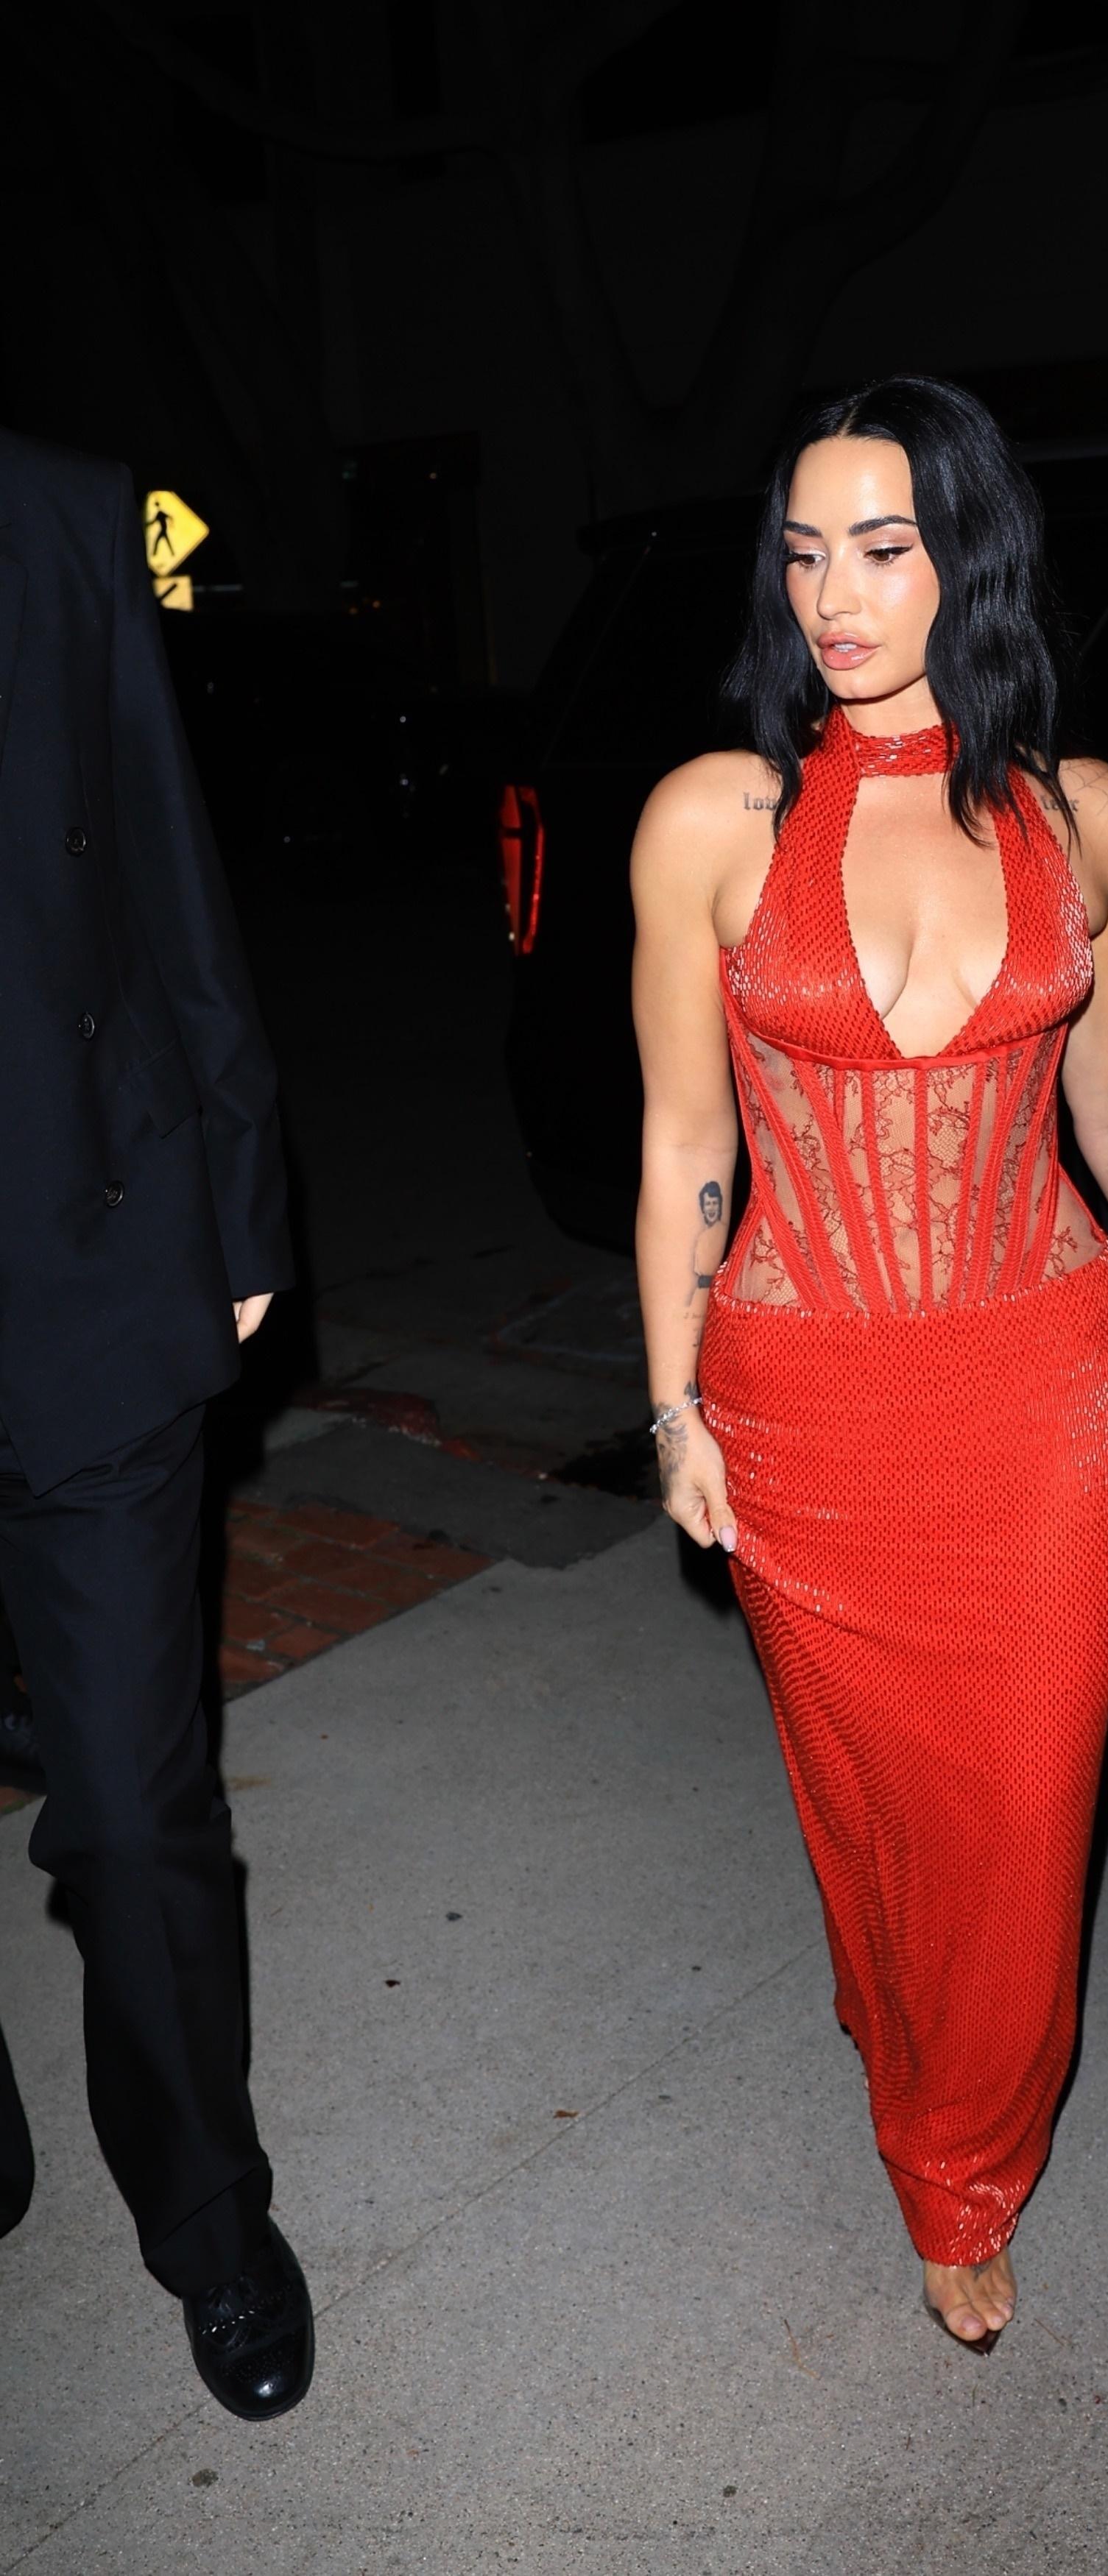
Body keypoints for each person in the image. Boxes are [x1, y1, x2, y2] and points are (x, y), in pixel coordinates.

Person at [632, 376, 1108, 2348]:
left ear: (968, 560)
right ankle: (905, 2024)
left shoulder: (1092, 821)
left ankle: (958, 2160)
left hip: (1038, 1393)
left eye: (883, 549)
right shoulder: (710, 819)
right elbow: (683, 1141)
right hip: (802, 1398)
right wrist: (672, 1406)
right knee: (872, 1803)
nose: (833, 596)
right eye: (803, 553)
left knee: (1021, 1806)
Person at [0, 428, 315, 2413]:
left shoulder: (57, 518)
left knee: (129, 1809)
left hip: (83, 1261)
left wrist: (239, 1195)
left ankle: (208, 2215)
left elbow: (168, 859)